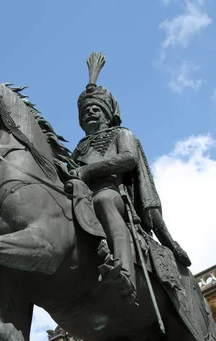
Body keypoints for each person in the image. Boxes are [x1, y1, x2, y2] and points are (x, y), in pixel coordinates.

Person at [69, 52, 191, 299]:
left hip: (115, 196)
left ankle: (124, 270)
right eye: (85, 111)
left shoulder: (122, 134)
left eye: (95, 109)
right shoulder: (79, 148)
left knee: (102, 199)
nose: (89, 113)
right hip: (82, 198)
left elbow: (128, 159)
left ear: (105, 114)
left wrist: (88, 170)